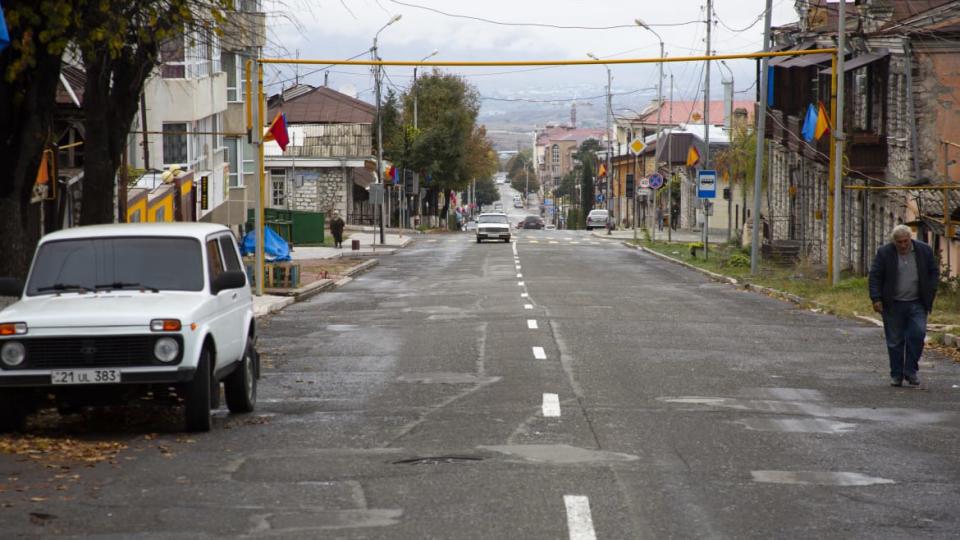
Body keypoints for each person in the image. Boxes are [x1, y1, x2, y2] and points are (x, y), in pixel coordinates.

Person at [868, 224, 939, 387]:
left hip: (917, 303)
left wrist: (931, 290)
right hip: (893, 304)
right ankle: (896, 374)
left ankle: (910, 370)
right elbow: (875, 276)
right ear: (894, 241)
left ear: (910, 239)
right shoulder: (885, 253)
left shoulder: (923, 251)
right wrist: (876, 298)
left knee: (918, 335)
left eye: (905, 241)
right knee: (895, 341)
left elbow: (933, 272)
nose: (903, 245)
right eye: (899, 242)